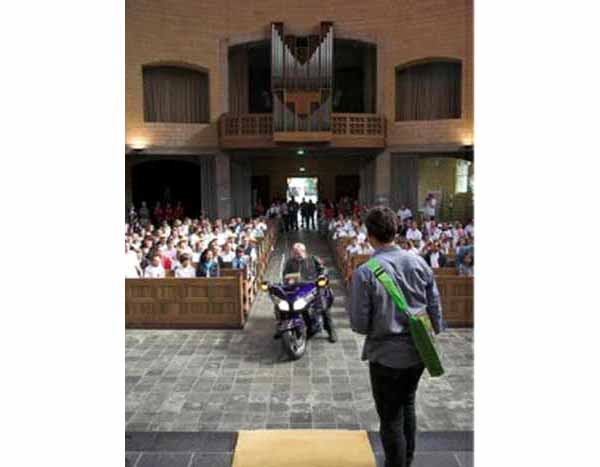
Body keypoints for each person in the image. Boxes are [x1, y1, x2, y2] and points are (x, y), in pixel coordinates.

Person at [349, 206, 443, 467]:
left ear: (369, 236)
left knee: (390, 418)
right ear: (396, 230)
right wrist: (434, 327)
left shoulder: (366, 272)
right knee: (408, 403)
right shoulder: (418, 261)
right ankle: (407, 459)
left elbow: (359, 324)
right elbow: (434, 305)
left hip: (386, 355)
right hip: (418, 352)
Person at [282, 242, 337, 343]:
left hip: (314, 286)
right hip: (299, 288)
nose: (296, 254)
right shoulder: (290, 262)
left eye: (298, 252)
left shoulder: (313, 259)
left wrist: (321, 276)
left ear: (304, 251)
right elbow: (285, 275)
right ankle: (308, 327)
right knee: (295, 305)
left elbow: (323, 269)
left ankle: (330, 329)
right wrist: (288, 280)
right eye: (295, 252)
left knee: (322, 304)